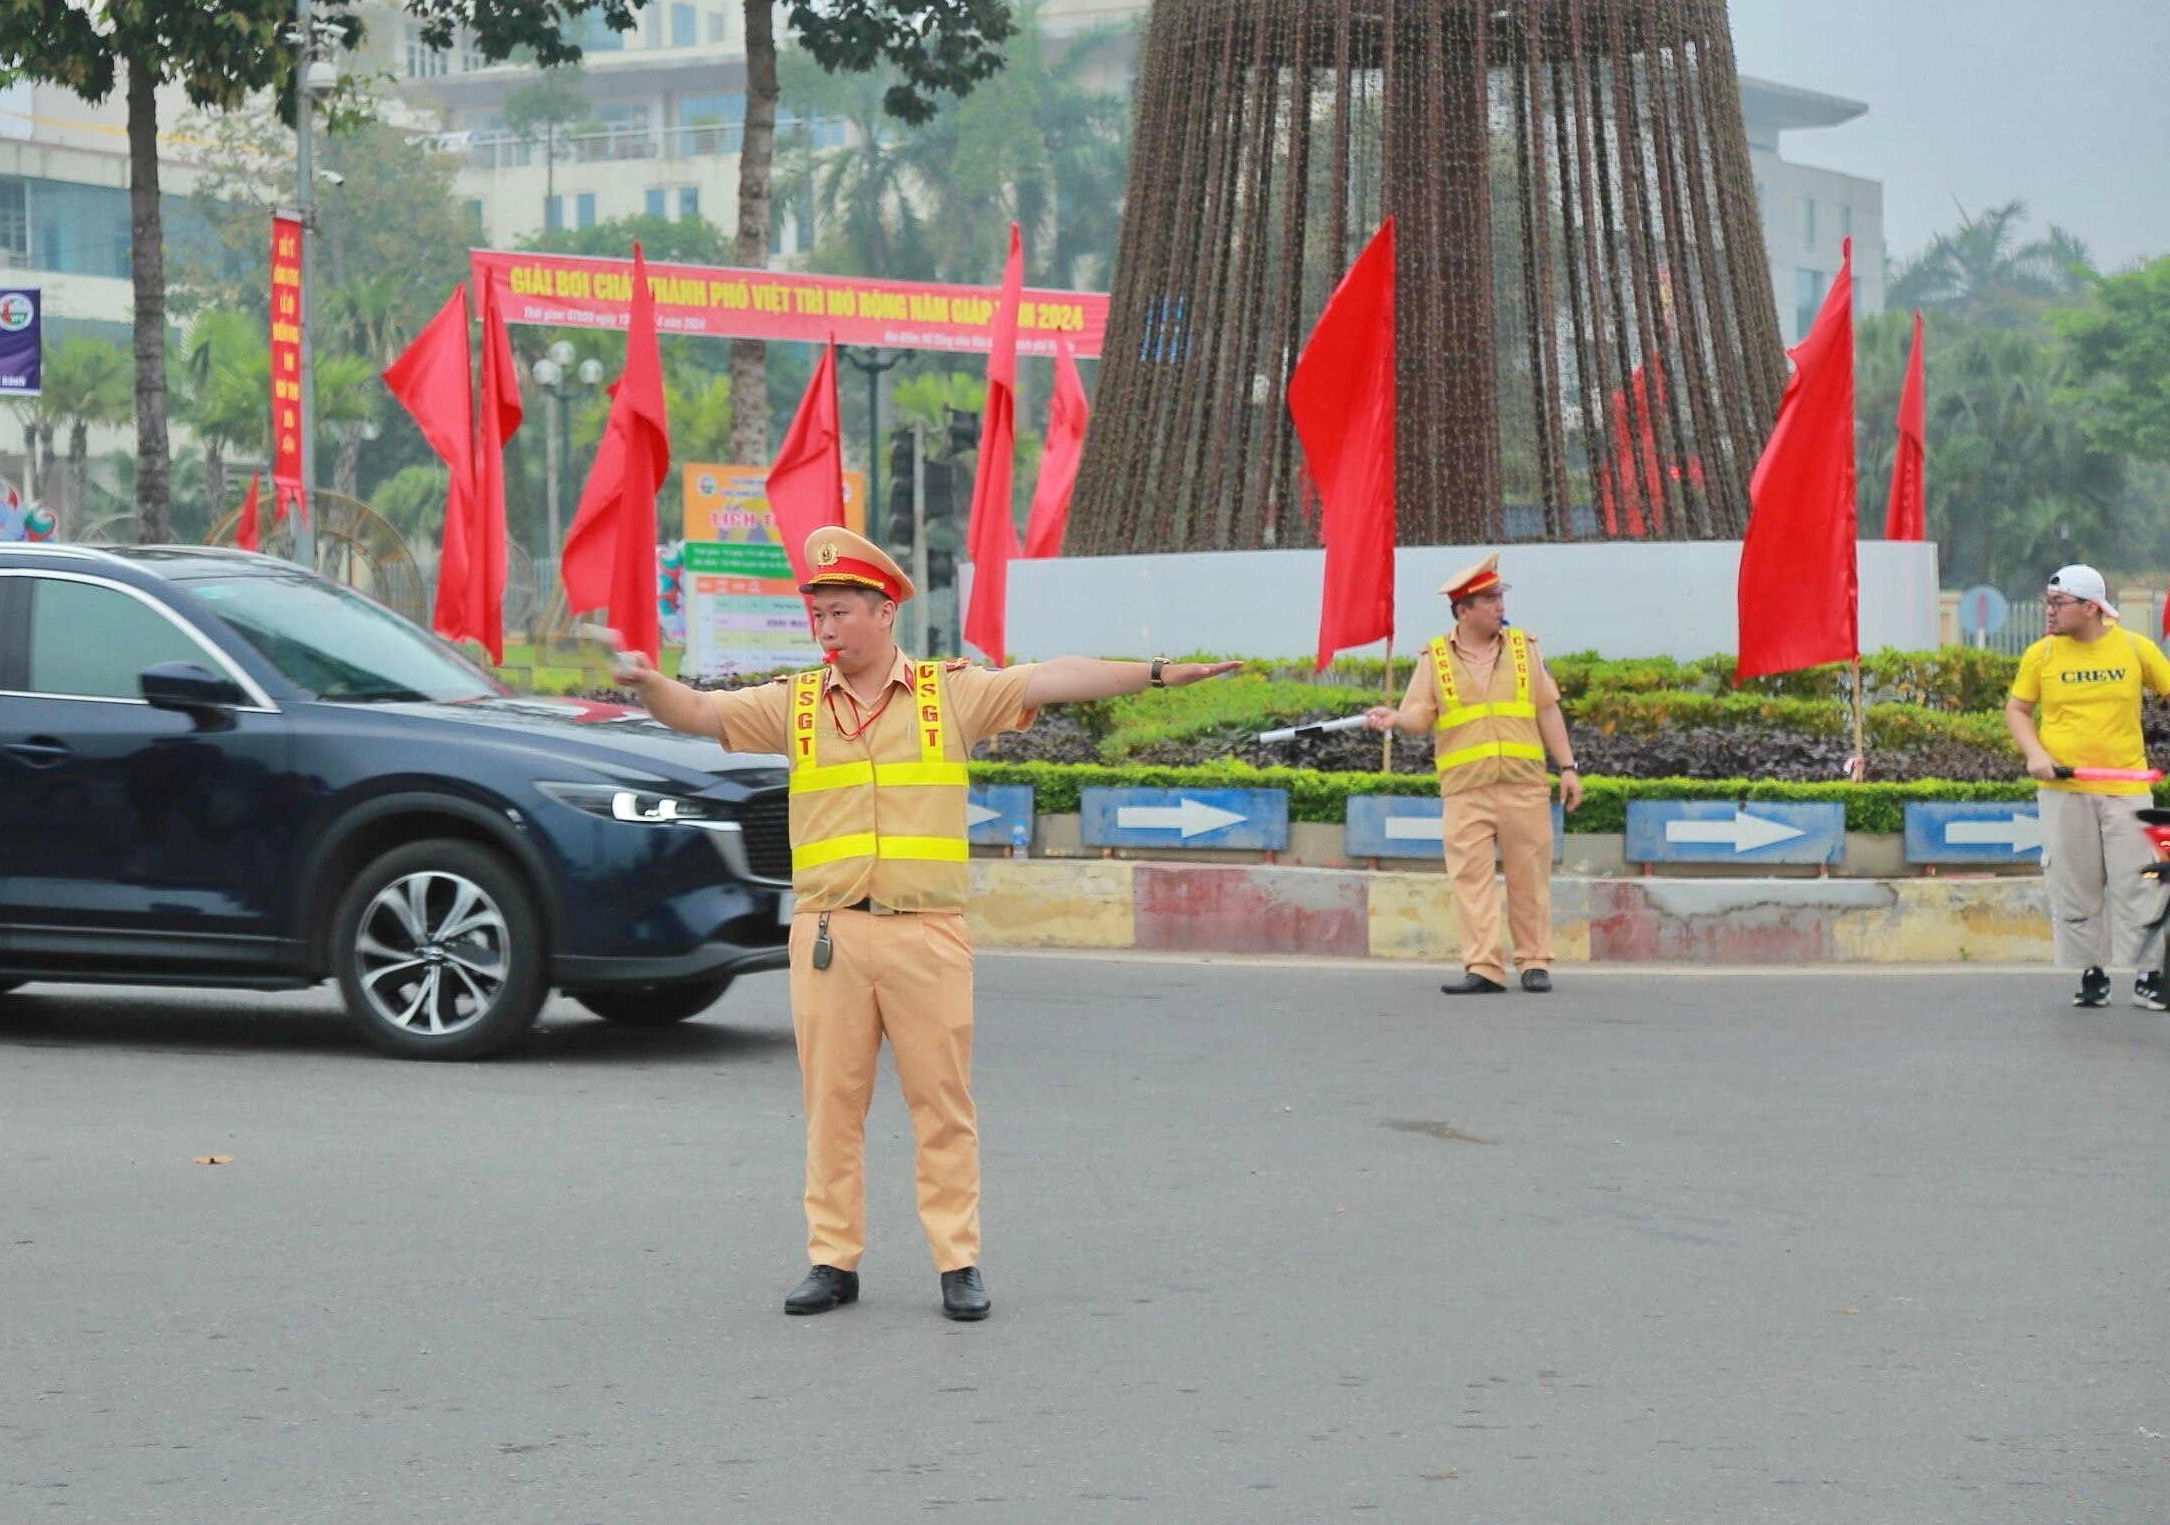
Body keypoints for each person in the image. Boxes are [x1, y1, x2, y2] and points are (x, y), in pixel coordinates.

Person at [613, 527, 1239, 1320]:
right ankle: (832, 1260)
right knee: (830, 1107)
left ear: (883, 612)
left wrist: (1155, 673)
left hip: (927, 933)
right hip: (832, 935)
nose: (826, 629)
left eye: (840, 612)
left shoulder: (951, 692)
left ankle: (958, 1261)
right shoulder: (798, 704)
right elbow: (699, 710)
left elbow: (1050, 677)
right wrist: (644, 682)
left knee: (942, 1105)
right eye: (818, 616)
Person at [1364, 553, 1582, 996]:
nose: (1500, 606)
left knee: (1530, 879)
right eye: (1490, 599)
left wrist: (1568, 767)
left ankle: (1534, 961)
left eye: (1500, 597)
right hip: (1466, 792)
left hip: (1524, 786)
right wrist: (1394, 718)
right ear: (1464, 610)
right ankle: (1483, 967)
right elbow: (1419, 718)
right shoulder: (1435, 658)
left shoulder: (1525, 648)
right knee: (1471, 882)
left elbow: (1547, 709)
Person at [2003, 563, 2170, 1009]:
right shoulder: (2042, 655)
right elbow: (2017, 711)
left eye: (2059, 604)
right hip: (2064, 791)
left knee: (2141, 882)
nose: (2050, 612)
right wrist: (2036, 754)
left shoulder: (2135, 649)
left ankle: (2149, 975)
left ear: (2091, 608)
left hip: (2127, 788)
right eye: (2048, 603)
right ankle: (2091, 973)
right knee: (2075, 883)